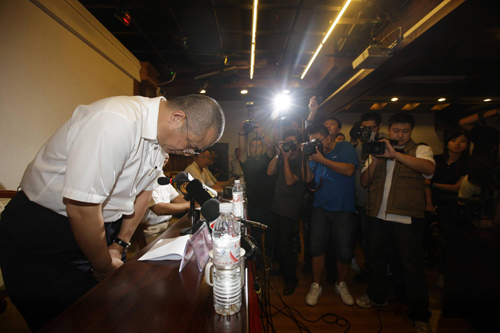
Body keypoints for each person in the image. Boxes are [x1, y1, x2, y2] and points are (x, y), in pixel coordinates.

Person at [0, 94, 224, 331]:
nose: (187, 152)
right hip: (44, 236)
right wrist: (103, 265)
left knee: (110, 315)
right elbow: (81, 208)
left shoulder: (159, 139)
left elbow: (144, 193)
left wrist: (119, 244)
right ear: (177, 118)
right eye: (191, 145)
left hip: (97, 233)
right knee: (64, 322)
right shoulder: (116, 121)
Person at [356, 112, 435, 333]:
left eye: (405, 131)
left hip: (407, 217)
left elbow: (429, 169)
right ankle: (377, 297)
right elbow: (364, 182)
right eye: (396, 131)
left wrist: (396, 155)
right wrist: (378, 160)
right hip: (377, 215)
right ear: (388, 130)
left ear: (411, 131)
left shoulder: (420, 149)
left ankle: (419, 314)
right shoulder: (377, 149)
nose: (400, 135)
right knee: (376, 260)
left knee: (411, 266)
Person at [302, 125, 358, 306]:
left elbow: (349, 170)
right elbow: (308, 179)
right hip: (320, 207)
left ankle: (341, 284)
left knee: (344, 250)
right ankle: (316, 284)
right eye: (311, 141)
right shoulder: (314, 154)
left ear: (328, 138)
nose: (314, 144)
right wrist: (307, 157)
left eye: (317, 140)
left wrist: (321, 159)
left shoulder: (344, 147)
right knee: (316, 247)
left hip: (344, 208)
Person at [424, 130, 469, 288]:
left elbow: (457, 188)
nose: (457, 144)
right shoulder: (436, 160)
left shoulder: (467, 164)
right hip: (429, 202)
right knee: (420, 237)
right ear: (447, 142)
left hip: (452, 205)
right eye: (454, 139)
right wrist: (429, 203)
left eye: (462, 141)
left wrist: (434, 185)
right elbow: (425, 183)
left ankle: (443, 273)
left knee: (447, 241)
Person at [267, 129, 305, 296]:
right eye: (287, 141)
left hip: (290, 208)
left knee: (287, 244)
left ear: (299, 144)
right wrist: (278, 154)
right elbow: (269, 172)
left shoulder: (302, 160)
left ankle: (291, 279)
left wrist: (285, 158)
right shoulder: (284, 157)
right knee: (278, 241)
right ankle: (283, 270)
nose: (290, 145)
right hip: (277, 205)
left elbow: (290, 181)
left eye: (293, 142)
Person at [237, 121, 274, 259]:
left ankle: (271, 259)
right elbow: (241, 148)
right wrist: (242, 132)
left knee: (270, 234)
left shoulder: (266, 159)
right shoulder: (246, 161)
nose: (255, 148)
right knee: (256, 236)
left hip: (270, 203)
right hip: (254, 204)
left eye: (258, 146)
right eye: (252, 146)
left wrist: (261, 134)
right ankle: (257, 261)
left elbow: (271, 147)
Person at [142, 156, 191, 238]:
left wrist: (196, 199)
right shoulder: (145, 177)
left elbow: (176, 198)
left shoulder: (161, 175)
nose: (167, 156)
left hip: (167, 226)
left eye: (167, 153)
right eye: (162, 152)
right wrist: (191, 204)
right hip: (152, 230)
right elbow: (159, 209)